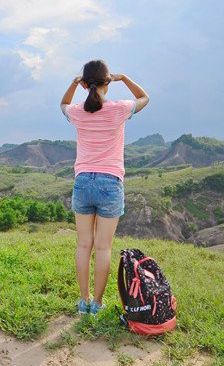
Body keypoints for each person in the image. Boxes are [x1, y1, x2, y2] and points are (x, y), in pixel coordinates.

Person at [60, 59, 150, 315]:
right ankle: (97, 304)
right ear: (107, 83)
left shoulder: (77, 111)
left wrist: (73, 83)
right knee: (103, 247)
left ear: (85, 84)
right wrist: (124, 78)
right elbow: (144, 97)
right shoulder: (120, 109)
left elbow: (63, 105)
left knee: (83, 245)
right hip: (110, 182)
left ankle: (83, 300)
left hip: (83, 181)